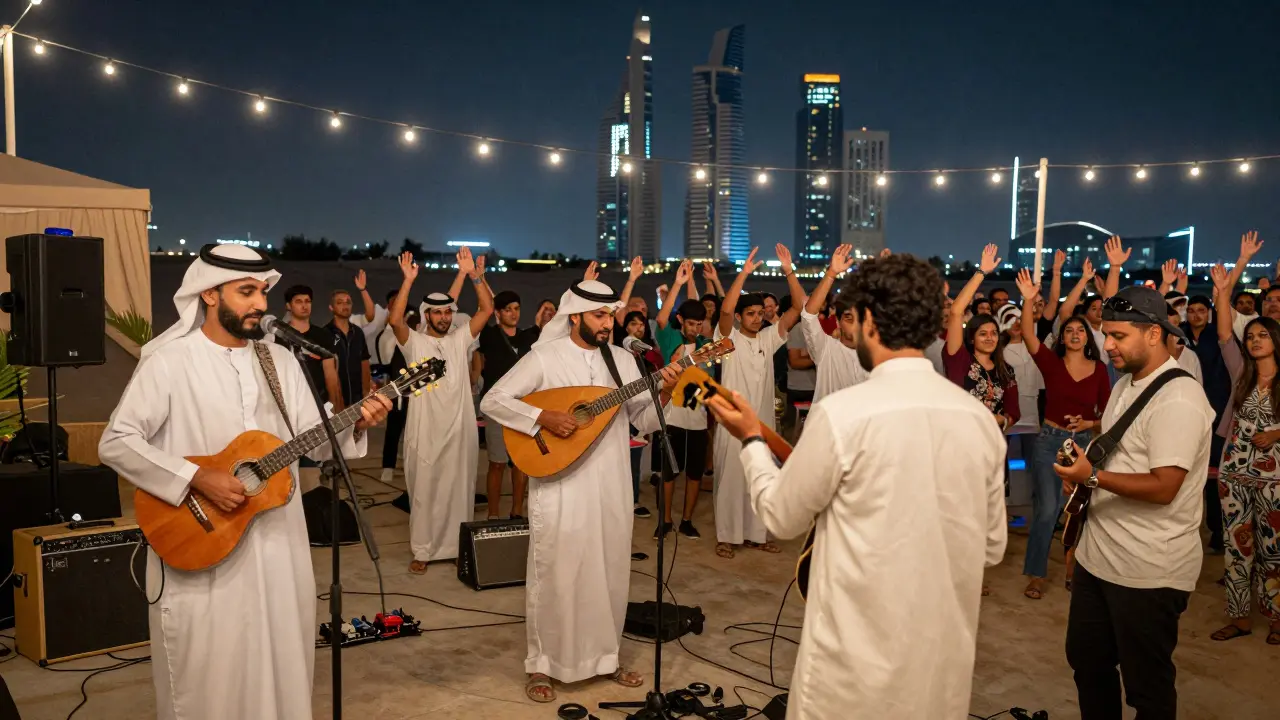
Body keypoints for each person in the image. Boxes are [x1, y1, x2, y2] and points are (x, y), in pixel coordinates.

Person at [706, 252, 1007, 719]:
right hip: (939, 662)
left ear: (867, 320)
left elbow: (781, 516)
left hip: (853, 666)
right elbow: (991, 548)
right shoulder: (980, 421)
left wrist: (750, 438)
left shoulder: (843, 414)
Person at [98, 244, 391, 720]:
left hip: (278, 541)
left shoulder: (280, 361)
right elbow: (116, 442)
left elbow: (310, 441)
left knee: (281, 650)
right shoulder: (170, 360)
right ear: (209, 294)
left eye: (263, 292)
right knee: (210, 667)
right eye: (247, 292)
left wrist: (356, 423)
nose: (261, 303)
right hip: (201, 537)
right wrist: (196, 477)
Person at [480, 279, 681, 703]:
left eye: (610, 315)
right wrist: (542, 417)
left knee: (609, 569)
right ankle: (543, 665)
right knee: (556, 571)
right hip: (560, 484)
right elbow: (494, 400)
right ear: (576, 317)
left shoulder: (624, 362)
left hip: (611, 483)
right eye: (599, 316)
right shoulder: (545, 356)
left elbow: (642, 420)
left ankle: (605, 658)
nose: (608, 323)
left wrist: (662, 387)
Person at [1054, 285, 1213, 719]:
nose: (1106, 345)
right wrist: (1085, 482)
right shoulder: (1126, 383)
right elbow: (1116, 460)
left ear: (1154, 334)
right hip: (1099, 557)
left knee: (1147, 688)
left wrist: (1093, 476)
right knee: (1088, 663)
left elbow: (1165, 487)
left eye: (1118, 336)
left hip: (1148, 571)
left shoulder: (1179, 398)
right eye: (1106, 334)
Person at [389, 248, 493, 573]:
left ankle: (455, 548)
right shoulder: (414, 343)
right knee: (424, 492)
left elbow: (487, 308)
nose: (445, 318)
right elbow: (394, 320)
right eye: (438, 313)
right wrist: (407, 281)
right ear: (426, 315)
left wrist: (473, 275)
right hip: (424, 433)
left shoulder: (460, 339)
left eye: (449, 312)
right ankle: (423, 550)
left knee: (459, 488)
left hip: (459, 430)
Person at [1014, 269, 1111, 600]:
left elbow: (1108, 417)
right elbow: (1028, 334)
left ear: (1087, 338)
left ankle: (1075, 572)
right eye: (1068, 330)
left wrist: (1088, 426)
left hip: (1084, 447)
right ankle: (1036, 575)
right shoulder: (1051, 364)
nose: (1073, 333)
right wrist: (1028, 300)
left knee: (1081, 511)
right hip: (1049, 442)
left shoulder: (1099, 371)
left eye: (1079, 330)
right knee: (1047, 509)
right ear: (1063, 337)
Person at [712, 245, 800, 560]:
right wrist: (744, 273)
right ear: (740, 317)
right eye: (750, 313)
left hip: (761, 422)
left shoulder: (768, 337)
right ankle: (727, 536)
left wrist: (789, 271)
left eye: (760, 313)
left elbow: (797, 308)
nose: (756, 318)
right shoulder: (728, 339)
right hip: (732, 421)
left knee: (760, 476)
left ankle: (756, 535)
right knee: (731, 478)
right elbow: (724, 311)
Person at [1209, 262, 1280, 645]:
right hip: (1235, 476)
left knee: (1274, 553)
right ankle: (1239, 618)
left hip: (1275, 481)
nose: (1253, 341)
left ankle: (1277, 618)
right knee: (1237, 549)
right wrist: (1223, 290)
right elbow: (1223, 334)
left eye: (1261, 335)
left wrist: (1276, 432)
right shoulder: (1242, 373)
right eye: (1250, 335)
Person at [652, 260, 713, 539]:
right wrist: (678, 283)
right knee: (668, 473)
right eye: (691, 323)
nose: (696, 329)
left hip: (698, 417)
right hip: (671, 415)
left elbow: (698, 306)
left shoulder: (704, 344)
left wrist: (694, 283)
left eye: (699, 324)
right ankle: (664, 520)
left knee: (694, 473)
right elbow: (662, 318)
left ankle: (687, 520)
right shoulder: (669, 336)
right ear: (682, 321)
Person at [476, 289, 540, 520]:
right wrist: (479, 279)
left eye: (517, 308)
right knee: (496, 462)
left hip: (522, 406)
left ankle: (516, 512)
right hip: (496, 407)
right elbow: (483, 307)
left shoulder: (528, 337)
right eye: (508, 309)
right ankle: (493, 514)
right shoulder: (489, 336)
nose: (514, 313)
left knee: (520, 463)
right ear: (498, 313)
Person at [945, 244, 1020, 432]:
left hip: (992, 444)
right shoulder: (960, 360)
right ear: (971, 338)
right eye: (983, 334)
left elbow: (1014, 413)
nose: (990, 338)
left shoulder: (1006, 370)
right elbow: (955, 312)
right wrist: (982, 272)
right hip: (960, 440)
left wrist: (1001, 421)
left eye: (994, 333)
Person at [780, 244, 868, 402]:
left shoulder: (874, 354)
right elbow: (808, 315)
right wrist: (831, 274)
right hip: (828, 426)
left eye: (860, 318)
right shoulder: (826, 348)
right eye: (849, 317)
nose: (855, 324)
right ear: (838, 321)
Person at [374, 306, 420, 485]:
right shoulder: (391, 340)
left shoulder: (421, 341)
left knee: (417, 433)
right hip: (398, 393)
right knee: (393, 430)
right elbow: (385, 358)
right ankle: (388, 466)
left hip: (418, 394)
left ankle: (414, 466)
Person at [278, 284, 341, 406]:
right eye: (298, 301)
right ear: (288, 306)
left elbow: (330, 375)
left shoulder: (323, 335)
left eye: (307, 301)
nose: (304, 305)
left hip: (318, 404)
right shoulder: (278, 337)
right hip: (288, 404)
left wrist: (334, 407)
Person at [325, 288, 372, 411]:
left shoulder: (358, 333)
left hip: (359, 401)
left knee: (360, 429)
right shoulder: (324, 334)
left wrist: (366, 393)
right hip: (335, 403)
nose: (345, 306)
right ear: (331, 307)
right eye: (340, 302)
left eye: (348, 302)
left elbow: (365, 363)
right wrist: (334, 402)